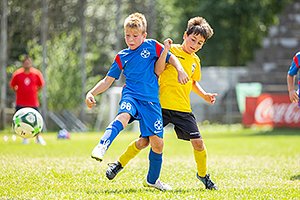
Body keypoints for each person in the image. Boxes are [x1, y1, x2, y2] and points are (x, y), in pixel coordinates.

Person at [105, 16, 219, 190]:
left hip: (182, 109)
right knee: (144, 142)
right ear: (185, 35)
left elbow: (193, 82)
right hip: (159, 106)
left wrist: (205, 95)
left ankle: (203, 175)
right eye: (193, 39)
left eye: (200, 43)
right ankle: (118, 164)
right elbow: (157, 69)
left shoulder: (196, 61)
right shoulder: (168, 50)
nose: (195, 45)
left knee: (199, 143)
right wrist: (165, 52)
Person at [85, 12, 189, 191]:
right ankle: (102, 145)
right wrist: (91, 92)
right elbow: (107, 81)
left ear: (144, 35)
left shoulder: (152, 46)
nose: (131, 40)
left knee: (157, 143)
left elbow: (170, 57)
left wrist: (180, 69)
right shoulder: (122, 56)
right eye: (127, 36)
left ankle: (152, 180)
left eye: (135, 36)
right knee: (123, 117)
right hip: (131, 95)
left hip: (151, 102)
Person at [10, 55, 46, 145]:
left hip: (33, 103)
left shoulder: (36, 73)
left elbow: (41, 85)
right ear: (23, 63)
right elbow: (12, 85)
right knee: (21, 121)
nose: (27, 64)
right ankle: (24, 138)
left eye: (28, 62)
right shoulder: (17, 74)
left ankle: (38, 138)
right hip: (20, 103)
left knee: (36, 121)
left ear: (31, 63)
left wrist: (33, 91)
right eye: (25, 62)